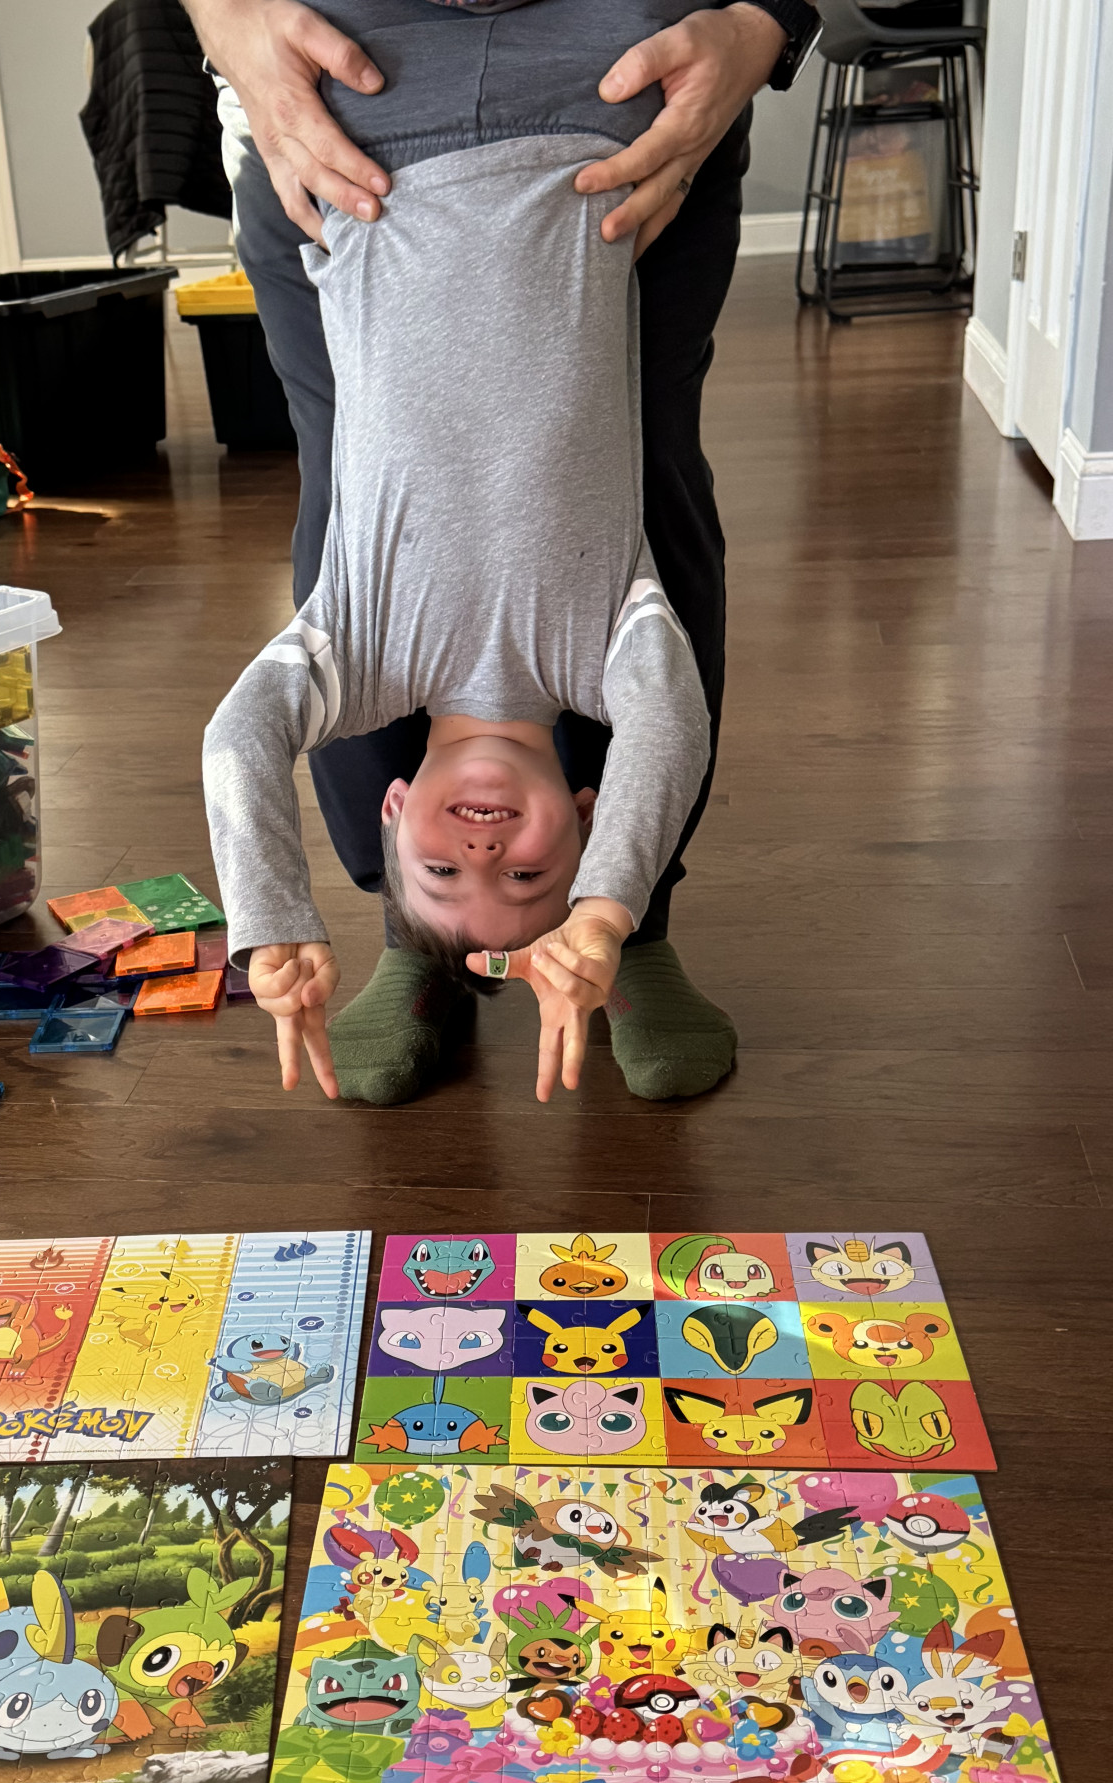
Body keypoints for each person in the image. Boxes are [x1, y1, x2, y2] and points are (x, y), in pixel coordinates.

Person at [190, 0, 814, 1104]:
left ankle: (413, 944)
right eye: (529, 877)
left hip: (366, 125)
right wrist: (606, 908)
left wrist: (271, 918)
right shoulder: (612, 651)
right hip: (591, 103)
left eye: (440, 870)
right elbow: (666, 733)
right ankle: (632, 936)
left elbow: (239, 740)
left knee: (323, 488)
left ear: (396, 812)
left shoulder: (356, 662)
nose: (483, 855)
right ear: (588, 816)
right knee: (667, 490)